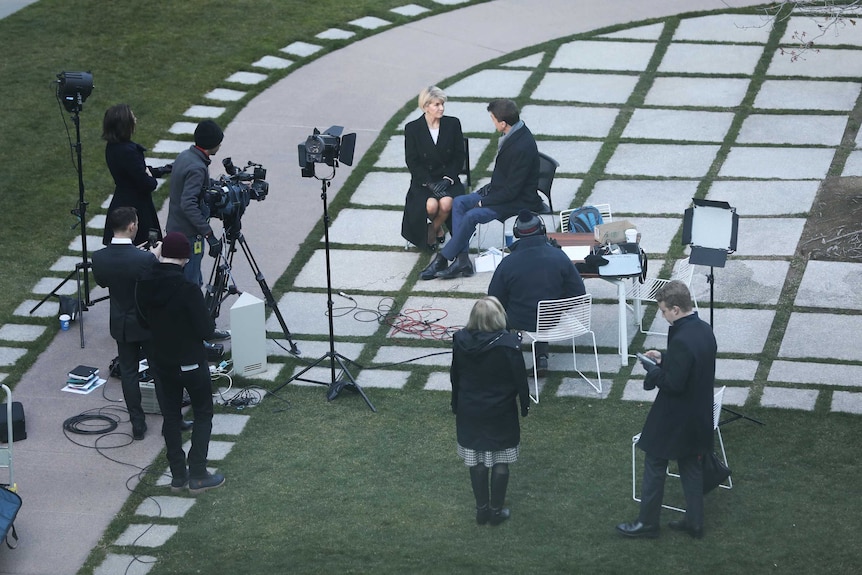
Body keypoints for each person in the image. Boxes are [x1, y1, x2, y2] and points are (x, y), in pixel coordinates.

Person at [616, 280, 716, 540]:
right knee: (690, 467)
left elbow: (673, 384)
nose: (662, 316)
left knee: (655, 462)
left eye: (663, 311)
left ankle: (647, 523)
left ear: (675, 309)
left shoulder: (682, 336)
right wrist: (664, 358)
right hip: (699, 415)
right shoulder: (704, 329)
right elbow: (691, 365)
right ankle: (695, 522)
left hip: (676, 417)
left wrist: (654, 369)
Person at [135, 232, 225, 495]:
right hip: (190, 362)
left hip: (162, 361)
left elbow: (142, 321)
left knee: (171, 416)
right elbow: (206, 330)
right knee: (203, 412)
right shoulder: (187, 289)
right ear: (185, 258)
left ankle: (177, 475)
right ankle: (197, 472)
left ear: (162, 254)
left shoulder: (144, 283)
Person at [421, 99, 543, 280]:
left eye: (493, 119)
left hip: (517, 200)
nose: (492, 122)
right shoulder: (513, 134)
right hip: (499, 191)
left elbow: (513, 191)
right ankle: (462, 260)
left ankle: (443, 258)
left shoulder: (522, 146)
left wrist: (483, 201)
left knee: (472, 215)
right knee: (460, 202)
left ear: (502, 123)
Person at [451, 296, 530, 525]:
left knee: (476, 460)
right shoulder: (509, 344)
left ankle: (481, 510)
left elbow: (455, 375)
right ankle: (496, 511)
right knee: (500, 461)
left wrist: (456, 403)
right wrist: (524, 405)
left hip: (470, 409)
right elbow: (519, 380)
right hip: (500, 411)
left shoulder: (460, 340)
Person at [487, 209, 586, 376]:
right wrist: (557, 304)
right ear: (542, 229)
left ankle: (508, 356)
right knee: (543, 308)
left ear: (517, 233)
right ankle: (542, 357)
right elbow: (578, 292)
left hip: (520, 319)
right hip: (552, 317)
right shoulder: (559, 256)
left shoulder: (508, 263)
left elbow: (493, 299)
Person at [92, 207, 159, 440]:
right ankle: (173, 420)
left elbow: (102, 282)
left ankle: (137, 424)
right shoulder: (146, 259)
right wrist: (155, 256)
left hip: (121, 323)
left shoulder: (99, 258)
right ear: (132, 226)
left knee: (129, 374)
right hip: (147, 323)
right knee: (160, 371)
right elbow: (153, 286)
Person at [401, 85, 466, 251]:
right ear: (425, 107)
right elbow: (412, 161)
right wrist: (429, 183)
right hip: (424, 182)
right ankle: (437, 228)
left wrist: (448, 179)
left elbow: (459, 156)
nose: (441, 108)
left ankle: (433, 229)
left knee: (446, 203)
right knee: (431, 206)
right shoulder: (412, 128)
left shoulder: (453, 124)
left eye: (442, 104)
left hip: (447, 179)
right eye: (436, 105)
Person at [165, 119, 224, 288]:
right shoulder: (198, 167)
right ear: (211, 144)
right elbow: (188, 203)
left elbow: (192, 186)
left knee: (185, 280)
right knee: (190, 284)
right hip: (189, 237)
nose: (220, 146)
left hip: (175, 230)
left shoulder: (185, 155)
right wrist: (209, 234)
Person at [101, 103, 168, 247]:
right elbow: (147, 184)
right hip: (137, 207)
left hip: (122, 201)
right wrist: (150, 177)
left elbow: (132, 172)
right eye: (132, 117)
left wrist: (156, 171)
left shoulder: (112, 147)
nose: (135, 120)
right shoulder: (129, 151)